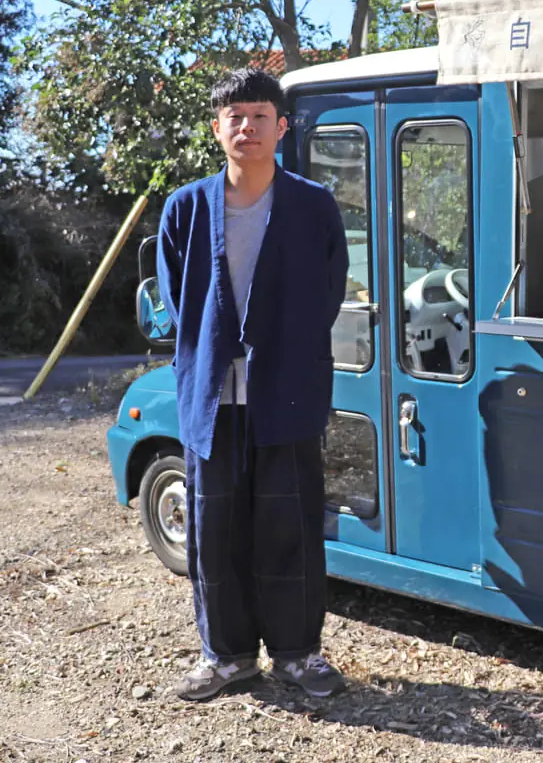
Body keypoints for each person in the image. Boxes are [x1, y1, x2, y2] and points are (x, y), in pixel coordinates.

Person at [156, 67, 349, 701]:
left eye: (260, 115)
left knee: (290, 525)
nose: (248, 126)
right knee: (216, 534)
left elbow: (328, 292)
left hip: (286, 393)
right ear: (218, 129)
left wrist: (281, 351)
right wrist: (216, 351)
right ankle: (227, 656)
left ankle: (298, 654)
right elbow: (179, 304)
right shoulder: (185, 207)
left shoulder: (313, 205)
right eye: (235, 116)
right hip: (213, 399)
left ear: (281, 127)